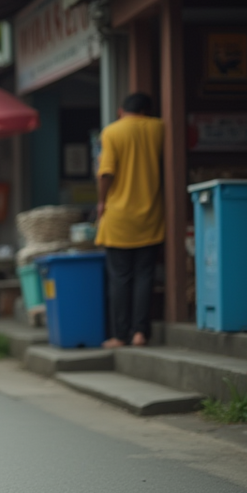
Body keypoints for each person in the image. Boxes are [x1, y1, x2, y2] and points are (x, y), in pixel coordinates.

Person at [96, 92, 164, 349]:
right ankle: (140, 333)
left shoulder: (112, 132)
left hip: (119, 218)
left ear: (121, 111)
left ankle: (120, 335)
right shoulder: (159, 128)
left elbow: (106, 172)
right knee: (145, 275)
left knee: (120, 278)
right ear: (147, 111)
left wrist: (101, 202)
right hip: (150, 215)